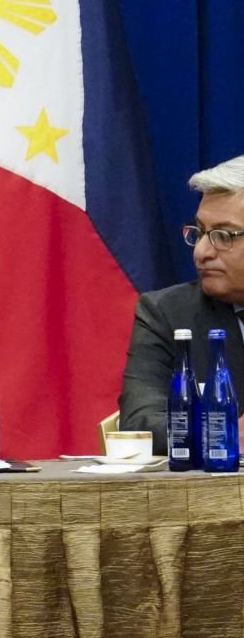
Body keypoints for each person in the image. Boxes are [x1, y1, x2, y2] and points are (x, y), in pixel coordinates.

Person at [119, 155, 244, 452]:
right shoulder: (167, 313)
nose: (201, 252)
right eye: (199, 232)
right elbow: (140, 422)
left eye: (224, 236)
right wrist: (223, 431)